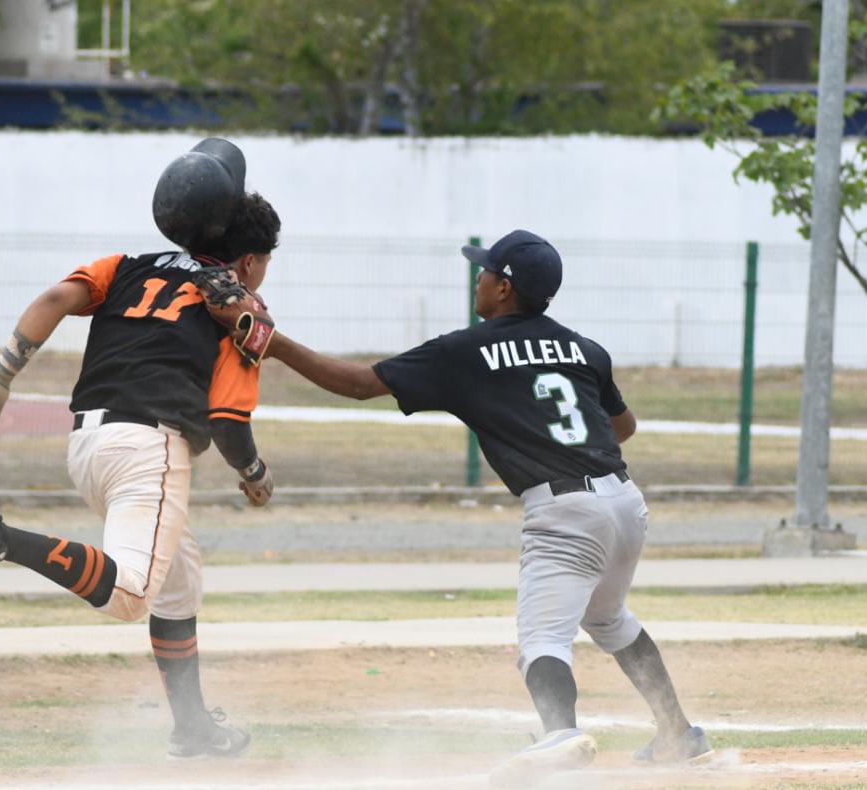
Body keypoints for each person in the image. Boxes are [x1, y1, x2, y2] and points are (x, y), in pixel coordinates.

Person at [207, 230, 711, 785]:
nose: (479, 278)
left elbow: (356, 384)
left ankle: (560, 733)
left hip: (566, 512)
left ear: (504, 290)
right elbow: (624, 427)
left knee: (543, 639)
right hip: (624, 501)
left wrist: (271, 342)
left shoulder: (465, 350)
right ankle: (677, 734)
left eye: (487, 272)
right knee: (608, 618)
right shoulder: (584, 348)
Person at [0, 140, 281, 760]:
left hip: (88, 443)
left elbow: (54, 301)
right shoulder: (236, 308)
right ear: (250, 260)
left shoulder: (127, 265)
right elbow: (230, 419)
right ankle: (0, 537)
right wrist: (255, 475)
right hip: (149, 448)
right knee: (130, 595)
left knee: (179, 579)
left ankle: (193, 728)